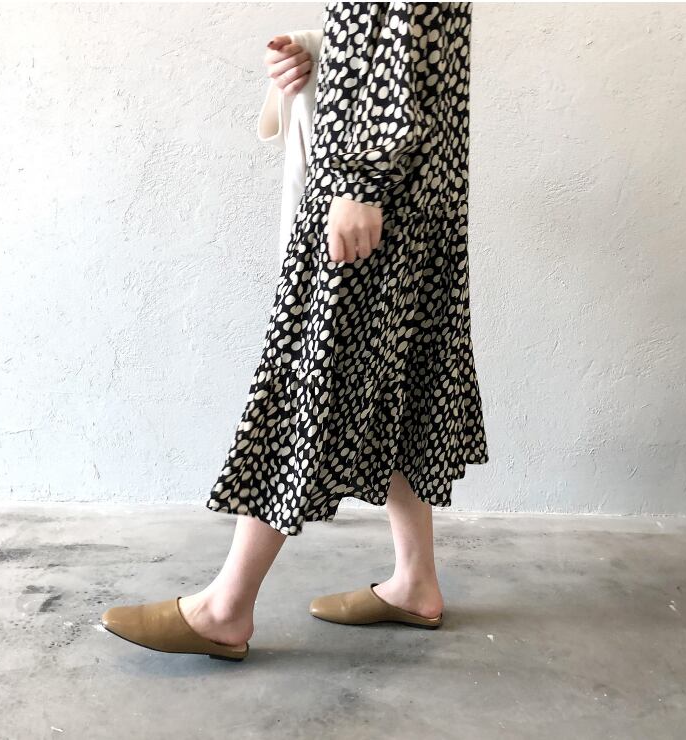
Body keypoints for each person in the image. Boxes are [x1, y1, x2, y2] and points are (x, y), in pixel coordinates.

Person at [101, 1, 488, 662]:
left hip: (377, 189)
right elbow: (403, 41)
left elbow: (406, 40)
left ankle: (225, 608)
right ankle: (415, 581)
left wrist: (360, 181)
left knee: (309, 376)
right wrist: (320, 52)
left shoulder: (365, 180)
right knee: (401, 372)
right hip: (419, 186)